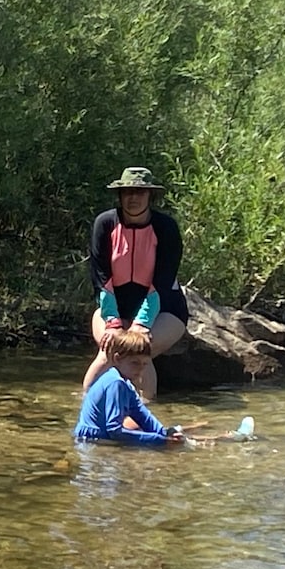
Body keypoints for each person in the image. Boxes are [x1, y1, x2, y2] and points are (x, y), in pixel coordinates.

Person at [82, 166, 189, 399]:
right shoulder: (105, 223)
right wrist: (113, 322)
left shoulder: (166, 227)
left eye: (140, 192)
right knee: (109, 351)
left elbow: (162, 281)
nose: (133, 197)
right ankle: (85, 408)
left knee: (141, 350)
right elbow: (100, 278)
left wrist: (142, 323)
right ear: (120, 195)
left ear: (150, 196)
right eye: (128, 192)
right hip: (113, 308)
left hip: (165, 310)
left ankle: (145, 412)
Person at [73, 330, 186, 446]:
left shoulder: (125, 384)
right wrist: (159, 441)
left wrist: (164, 433)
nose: (140, 369)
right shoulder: (115, 383)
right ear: (117, 359)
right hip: (90, 441)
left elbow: (141, 414)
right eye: (135, 363)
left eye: (144, 364)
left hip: (99, 436)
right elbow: (114, 430)